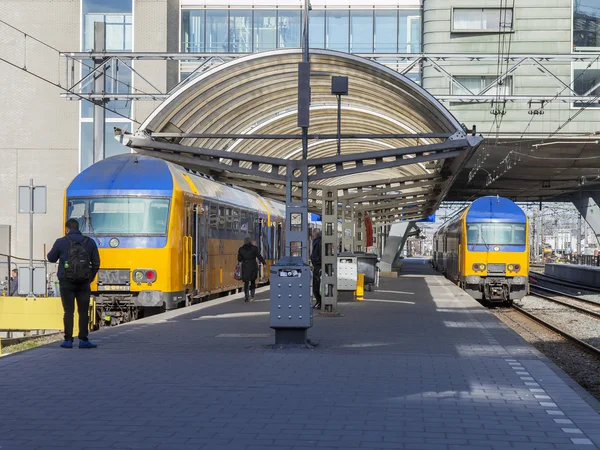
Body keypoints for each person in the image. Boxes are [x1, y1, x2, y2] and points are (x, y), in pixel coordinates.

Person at [47, 219, 100, 349]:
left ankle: (68, 340)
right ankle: (83, 340)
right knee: (83, 311)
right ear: (78, 228)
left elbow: (51, 258)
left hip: (66, 282)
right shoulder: (90, 242)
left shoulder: (61, 242)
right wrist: (89, 277)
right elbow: (97, 263)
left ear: (67, 229)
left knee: (68, 311)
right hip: (84, 283)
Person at [237, 237, 266, 302]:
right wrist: (264, 263)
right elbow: (259, 256)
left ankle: (246, 296)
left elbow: (239, 259)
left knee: (246, 282)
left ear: (244, 242)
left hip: (245, 267)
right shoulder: (254, 248)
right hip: (253, 266)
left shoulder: (241, 249)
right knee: (253, 282)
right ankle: (252, 296)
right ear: (250, 242)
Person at [311, 229, 322, 310]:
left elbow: (319, 254)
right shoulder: (318, 241)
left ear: (314, 234)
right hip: (317, 265)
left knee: (317, 285)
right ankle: (318, 302)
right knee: (316, 285)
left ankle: (319, 302)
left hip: (318, 266)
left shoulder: (318, 242)